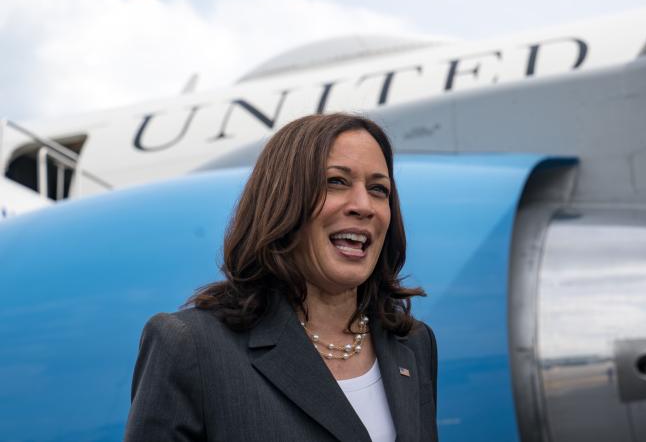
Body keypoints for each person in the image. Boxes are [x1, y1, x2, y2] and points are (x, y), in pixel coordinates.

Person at [124, 113, 438, 442]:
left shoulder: (413, 345)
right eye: (336, 182)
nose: (364, 206)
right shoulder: (190, 346)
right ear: (282, 200)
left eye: (378, 189)